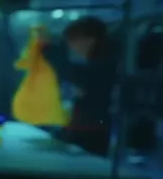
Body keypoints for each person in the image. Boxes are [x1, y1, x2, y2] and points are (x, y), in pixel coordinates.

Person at [41, 16, 119, 157]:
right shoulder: (101, 62)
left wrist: (52, 54)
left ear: (90, 40)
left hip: (91, 133)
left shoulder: (104, 66)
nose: (71, 46)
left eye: (72, 40)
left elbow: (83, 82)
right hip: (88, 130)